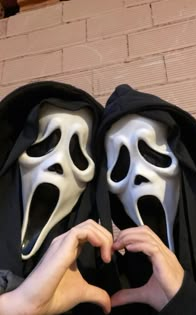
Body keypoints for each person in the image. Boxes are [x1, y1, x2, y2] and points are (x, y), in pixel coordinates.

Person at [95, 84, 196, 314]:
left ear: (181, 159)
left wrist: (188, 300)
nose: (138, 174)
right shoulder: (125, 275)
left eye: (152, 153)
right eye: (120, 165)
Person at [0, 81, 112, 315]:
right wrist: (20, 304)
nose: (58, 163)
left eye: (78, 154)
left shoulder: (97, 283)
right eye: (43, 144)